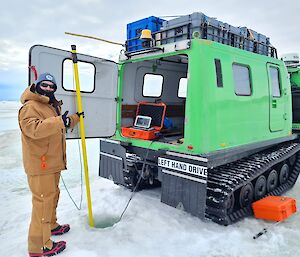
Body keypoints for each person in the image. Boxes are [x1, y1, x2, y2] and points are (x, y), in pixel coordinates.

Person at [18, 73, 83, 256]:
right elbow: (34, 130)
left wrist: (74, 119)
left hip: (52, 162)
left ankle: (51, 226)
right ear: (37, 86)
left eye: (51, 86)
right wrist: (59, 121)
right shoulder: (30, 107)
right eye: (44, 85)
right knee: (42, 203)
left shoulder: (49, 106)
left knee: (52, 196)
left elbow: (59, 125)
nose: (48, 89)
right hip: (41, 164)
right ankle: (39, 246)